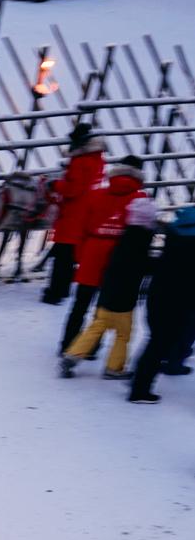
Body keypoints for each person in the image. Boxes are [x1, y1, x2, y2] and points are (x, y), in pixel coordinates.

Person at [60, 159, 165, 380]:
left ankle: (69, 347)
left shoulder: (96, 194)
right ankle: (97, 354)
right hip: (121, 257)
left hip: (92, 252)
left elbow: (82, 226)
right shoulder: (140, 199)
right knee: (108, 309)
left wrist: (81, 255)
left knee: (80, 304)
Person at [128, 200, 195, 403]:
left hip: (157, 294)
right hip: (180, 301)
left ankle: (138, 380)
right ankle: (139, 390)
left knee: (156, 340)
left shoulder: (173, 236)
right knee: (161, 343)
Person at [43, 127, 106, 308]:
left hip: (72, 214)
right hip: (86, 212)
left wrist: (55, 184)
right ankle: (63, 290)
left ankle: (55, 293)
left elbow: (73, 189)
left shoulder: (80, 161)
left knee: (62, 257)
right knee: (69, 255)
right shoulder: (97, 159)